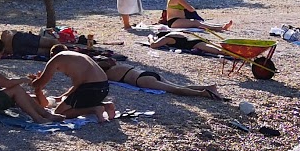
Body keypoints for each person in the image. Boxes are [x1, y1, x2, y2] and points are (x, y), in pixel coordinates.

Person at [31, 45, 115, 121]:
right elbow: (77, 86)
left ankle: (94, 109)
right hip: (104, 87)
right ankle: (105, 106)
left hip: (89, 88)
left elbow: (40, 83)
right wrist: (62, 97)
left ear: (52, 54)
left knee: (58, 113)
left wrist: (32, 80)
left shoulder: (56, 59)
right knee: (80, 102)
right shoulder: (77, 56)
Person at [96, 56, 226, 100]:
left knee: (175, 90)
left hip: (143, 80)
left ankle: (203, 93)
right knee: (178, 86)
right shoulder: (120, 65)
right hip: (148, 73)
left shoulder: (108, 74)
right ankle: (208, 88)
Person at [162, 0, 232, 31]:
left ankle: (221, 26)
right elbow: (191, 9)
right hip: (174, 21)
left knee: (198, 21)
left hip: (176, 20)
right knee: (196, 23)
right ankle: (220, 28)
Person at [147, 27, 226, 56]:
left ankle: (236, 53)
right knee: (220, 48)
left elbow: (153, 45)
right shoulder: (175, 33)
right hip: (196, 41)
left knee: (219, 51)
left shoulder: (166, 38)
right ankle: (235, 50)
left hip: (195, 44)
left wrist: (150, 37)